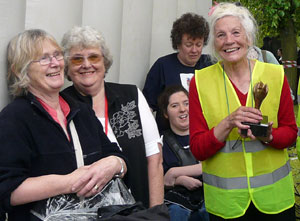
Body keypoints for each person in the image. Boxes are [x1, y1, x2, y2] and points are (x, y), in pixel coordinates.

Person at [0, 29, 128, 220]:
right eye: (43, 58)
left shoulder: (81, 111)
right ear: (21, 70)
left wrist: (113, 164)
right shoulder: (15, 118)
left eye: (57, 55)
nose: (55, 63)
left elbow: (116, 155)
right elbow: (8, 190)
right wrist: (69, 182)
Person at [189, 2, 297, 220]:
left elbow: (291, 133)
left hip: (274, 200)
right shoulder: (200, 82)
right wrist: (228, 122)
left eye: (236, 32)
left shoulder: (275, 75)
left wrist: (269, 135)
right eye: (220, 35)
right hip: (227, 205)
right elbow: (198, 149)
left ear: (248, 38)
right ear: (214, 43)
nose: (229, 41)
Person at [61, 26, 164, 208]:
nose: (86, 64)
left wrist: (156, 213)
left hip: (138, 211)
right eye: (77, 59)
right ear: (67, 68)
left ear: (105, 62)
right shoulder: (63, 105)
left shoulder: (131, 96)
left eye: (93, 57)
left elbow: (154, 160)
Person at [143, 12, 212, 131]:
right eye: (189, 45)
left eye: (199, 45)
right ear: (178, 44)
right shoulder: (163, 66)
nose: (194, 50)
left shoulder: (210, 64)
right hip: (169, 140)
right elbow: (147, 108)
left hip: (203, 136)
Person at [158, 85, 209, 221]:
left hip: (208, 194)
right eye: (174, 106)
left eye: (186, 103)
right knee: (176, 212)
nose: (182, 109)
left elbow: (212, 166)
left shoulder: (206, 134)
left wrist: (174, 172)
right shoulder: (160, 141)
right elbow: (161, 180)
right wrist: (178, 181)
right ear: (165, 113)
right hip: (176, 200)